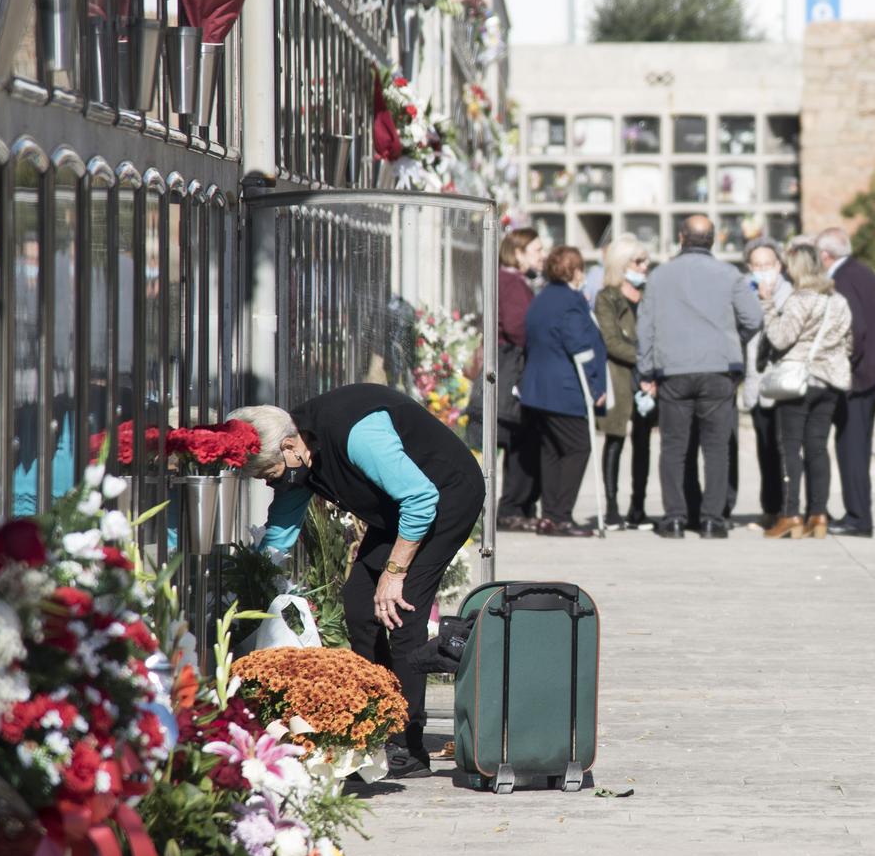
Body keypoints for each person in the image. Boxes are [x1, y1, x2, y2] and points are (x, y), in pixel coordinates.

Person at [232, 386, 486, 779]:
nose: (271, 483)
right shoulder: (297, 455)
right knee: (359, 603)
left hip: (445, 494)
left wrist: (395, 572)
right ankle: (373, 721)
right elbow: (282, 528)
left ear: (289, 447)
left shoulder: (356, 434)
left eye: (271, 473)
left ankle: (408, 743)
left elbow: (420, 498)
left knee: (400, 610)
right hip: (399, 509)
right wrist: (252, 582)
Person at [637, 215, 763, 539]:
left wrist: (646, 370)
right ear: (713, 240)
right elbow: (753, 318)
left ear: (681, 237)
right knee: (717, 448)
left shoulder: (659, 276)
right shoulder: (730, 274)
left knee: (674, 448)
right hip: (718, 369)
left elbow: (645, 328)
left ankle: (676, 518)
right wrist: (730, 341)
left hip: (673, 370)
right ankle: (712, 520)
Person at [762, 244, 853, 539]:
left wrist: (767, 306)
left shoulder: (798, 300)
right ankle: (819, 514)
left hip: (798, 382)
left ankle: (790, 514)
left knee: (789, 447)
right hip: (828, 383)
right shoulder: (838, 300)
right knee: (817, 448)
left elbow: (780, 338)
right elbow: (847, 343)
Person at [519, 245, 608, 536]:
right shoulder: (571, 301)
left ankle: (550, 514)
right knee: (578, 446)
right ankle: (561, 516)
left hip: (537, 388)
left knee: (552, 450)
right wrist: (596, 387)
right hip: (563, 389)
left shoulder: (542, 297)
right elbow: (581, 348)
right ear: (574, 270)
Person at [818, 227, 875, 537]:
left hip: (859, 376)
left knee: (851, 447)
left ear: (825, 255)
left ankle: (858, 518)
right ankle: (858, 514)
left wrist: (845, 366)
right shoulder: (864, 272)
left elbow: (856, 328)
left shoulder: (843, 279)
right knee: (857, 445)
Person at [594, 235, 655, 528]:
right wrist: (646, 360)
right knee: (615, 439)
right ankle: (612, 507)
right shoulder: (608, 297)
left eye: (646, 261)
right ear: (621, 264)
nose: (644, 267)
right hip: (619, 376)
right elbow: (611, 341)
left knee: (643, 443)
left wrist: (652, 370)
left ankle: (638, 508)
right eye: (638, 261)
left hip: (647, 378)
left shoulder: (651, 294)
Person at [738, 237, 792, 527]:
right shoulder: (742, 292)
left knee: (783, 447)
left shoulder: (789, 293)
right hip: (756, 383)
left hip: (782, 383)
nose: (762, 270)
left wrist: (768, 300)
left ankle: (788, 506)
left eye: (768, 264)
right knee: (764, 447)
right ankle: (770, 506)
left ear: (779, 265)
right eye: (757, 265)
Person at [494, 229, 543, 532]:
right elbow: (517, 327)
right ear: (519, 252)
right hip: (513, 367)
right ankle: (513, 507)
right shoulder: (512, 282)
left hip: (510, 365)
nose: (542, 255)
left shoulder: (509, 279)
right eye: (536, 250)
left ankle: (517, 506)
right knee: (522, 438)